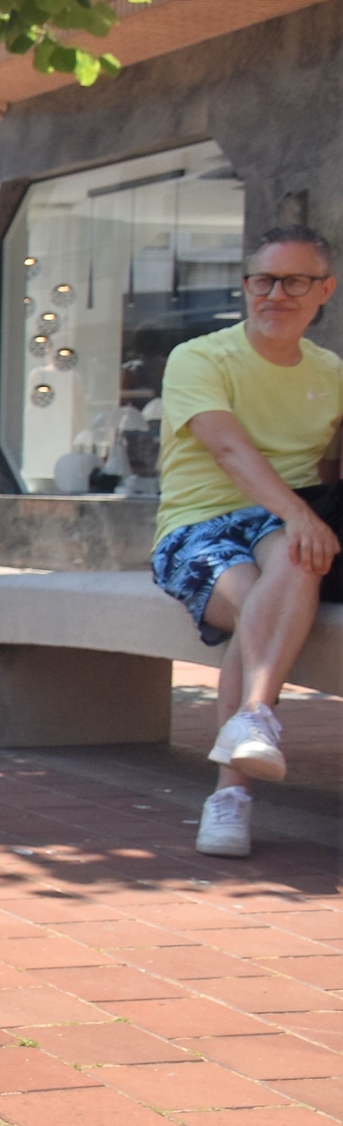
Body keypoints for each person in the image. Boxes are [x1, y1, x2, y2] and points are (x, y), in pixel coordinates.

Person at [151, 225, 342, 858]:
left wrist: (302, 519)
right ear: (246, 286)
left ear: (325, 290)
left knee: (291, 559)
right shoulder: (200, 357)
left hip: (283, 527)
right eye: (263, 280)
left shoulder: (331, 373)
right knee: (271, 583)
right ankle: (238, 772)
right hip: (198, 524)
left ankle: (243, 749)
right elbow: (230, 451)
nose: (275, 294)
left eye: (295, 281)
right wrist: (301, 517)